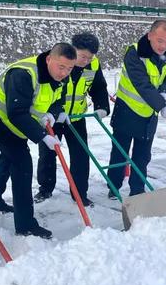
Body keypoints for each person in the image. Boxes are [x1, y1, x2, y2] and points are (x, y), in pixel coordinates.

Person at [0, 43, 76, 239]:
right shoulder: (23, 74)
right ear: (49, 59)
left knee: (7, 161)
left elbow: (57, 100)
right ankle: (25, 225)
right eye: (61, 67)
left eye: (70, 68)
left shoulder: (61, 76)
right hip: (2, 122)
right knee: (22, 167)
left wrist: (54, 114)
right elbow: (16, 113)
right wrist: (42, 136)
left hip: (21, 124)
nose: (64, 73)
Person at [35, 33, 110, 206]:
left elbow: (99, 87)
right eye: (82, 56)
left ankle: (79, 193)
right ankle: (45, 189)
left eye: (90, 57)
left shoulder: (93, 65)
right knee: (47, 153)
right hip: (53, 117)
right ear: (73, 49)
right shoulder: (59, 63)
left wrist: (102, 107)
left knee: (81, 154)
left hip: (76, 118)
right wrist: (54, 112)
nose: (86, 60)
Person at [106, 20, 166, 197]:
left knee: (143, 156)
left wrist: (164, 94)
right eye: (160, 40)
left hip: (148, 114)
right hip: (127, 110)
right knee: (120, 154)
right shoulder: (135, 53)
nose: (163, 46)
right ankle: (114, 187)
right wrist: (162, 105)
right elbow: (141, 84)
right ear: (150, 36)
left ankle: (137, 191)